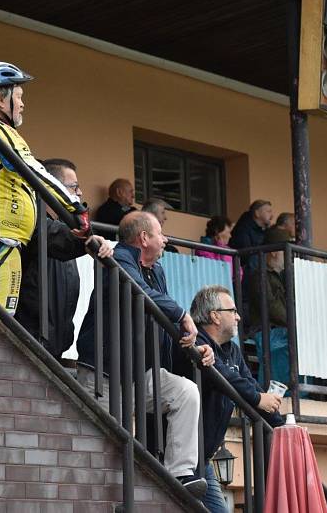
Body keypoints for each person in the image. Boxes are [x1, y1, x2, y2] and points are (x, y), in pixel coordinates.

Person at [77, 211, 214, 497]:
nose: (165, 239)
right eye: (160, 233)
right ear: (144, 238)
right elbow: (139, 291)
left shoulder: (158, 270)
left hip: (142, 371)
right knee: (110, 449)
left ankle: (180, 473)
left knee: (185, 392)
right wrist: (181, 314)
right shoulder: (118, 256)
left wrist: (195, 343)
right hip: (106, 370)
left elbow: (162, 316)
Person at [0, 61, 90, 315]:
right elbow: (36, 171)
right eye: (19, 97)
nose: (22, 104)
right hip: (0, 241)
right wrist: (76, 209)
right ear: (2, 99)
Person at [173, 285, 284, 513]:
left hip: (203, 459)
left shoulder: (232, 350)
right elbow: (223, 375)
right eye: (232, 311)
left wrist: (283, 428)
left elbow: (248, 383)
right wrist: (256, 398)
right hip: (178, 454)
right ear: (214, 315)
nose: (238, 316)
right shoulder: (196, 341)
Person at [14, 158, 112, 360]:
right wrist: (87, 239)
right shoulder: (33, 222)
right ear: (52, 188)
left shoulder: (63, 229)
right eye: (74, 187)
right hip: (29, 341)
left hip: (54, 347)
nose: (80, 193)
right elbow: (54, 236)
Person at [249, 228, 291, 385]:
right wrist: (294, 324)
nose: (288, 255)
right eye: (284, 251)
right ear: (274, 252)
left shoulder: (279, 276)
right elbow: (272, 307)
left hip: (280, 331)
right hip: (270, 332)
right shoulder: (259, 275)